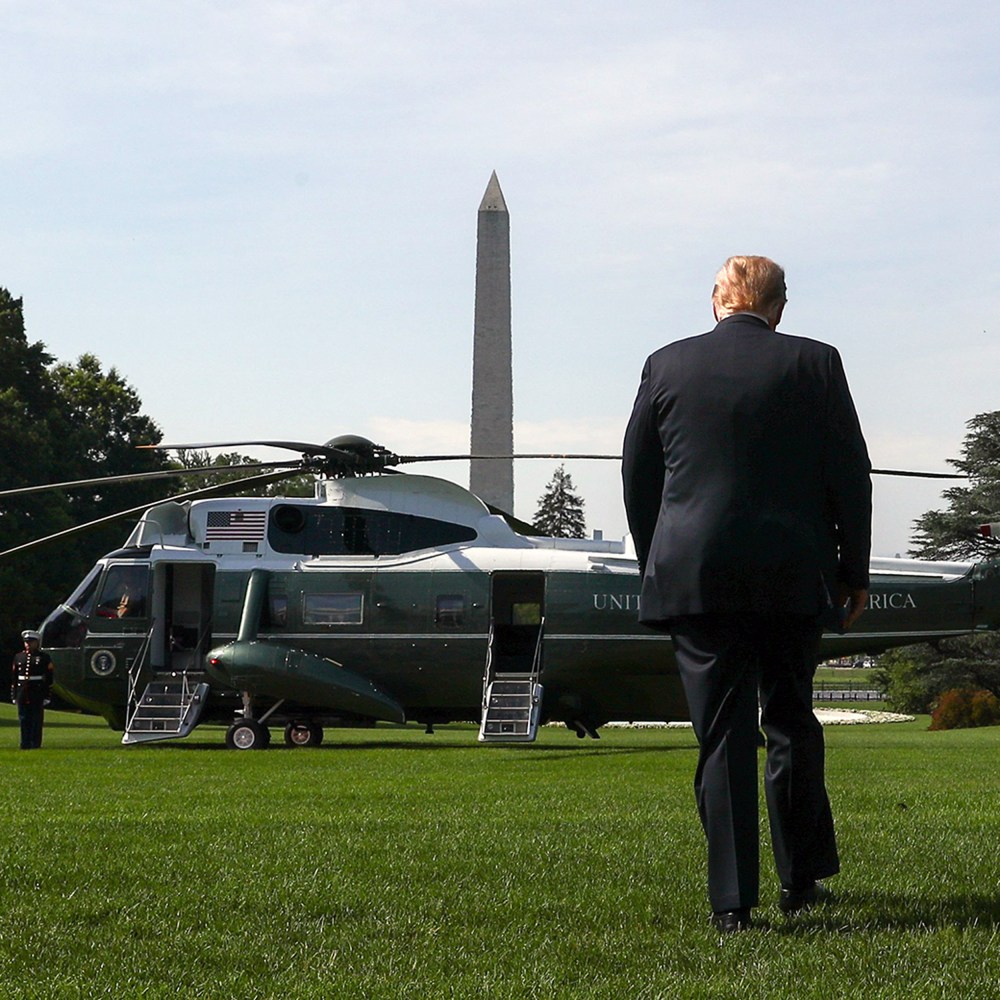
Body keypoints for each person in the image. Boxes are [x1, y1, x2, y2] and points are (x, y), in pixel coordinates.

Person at [622, 255, 871, 933]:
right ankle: (801, 878)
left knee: (722, 737)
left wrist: (658, 561)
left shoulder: (664, 365)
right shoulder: (817, 363)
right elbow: (852, 475)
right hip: (794, 574)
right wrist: (855, 572)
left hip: (695, 576)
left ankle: (733, 902)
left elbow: (641, 480)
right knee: (791, 722)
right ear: (780, 307)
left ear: (715, 301)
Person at [11, 629, 55, 750]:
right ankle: (24, 743)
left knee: (36, 719)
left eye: (31, 642)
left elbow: (49, 678)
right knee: (23, 718)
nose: (28, 644)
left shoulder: (43, 657)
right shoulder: (19, 657)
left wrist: (47, 695)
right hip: (22, 692)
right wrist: (14, 694)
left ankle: (35, 743)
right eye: (26, 642)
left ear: (37, 642)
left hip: (37, 691)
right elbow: (15, 678)